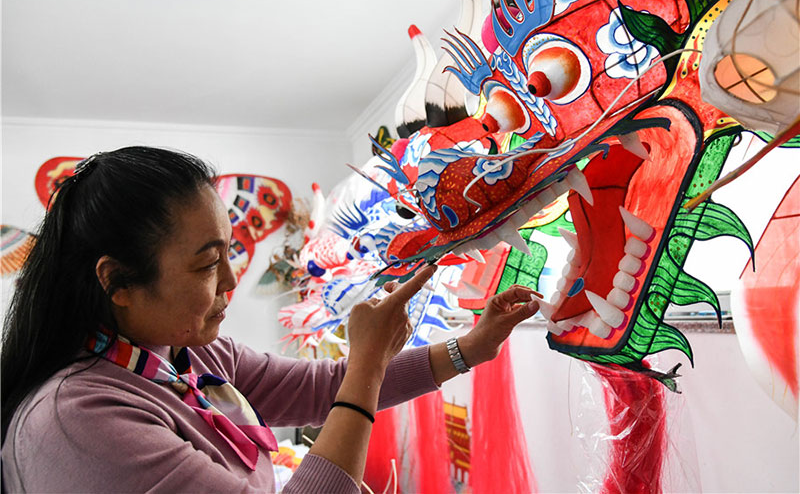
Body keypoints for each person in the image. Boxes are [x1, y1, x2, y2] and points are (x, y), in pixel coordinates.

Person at [1, 146, 541, 493]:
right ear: (117, 281)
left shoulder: (190, 356)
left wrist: (471, 347)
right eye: (209, 264)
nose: (232, 282)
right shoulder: (79, 420)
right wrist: (369, 363)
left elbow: (328, 385)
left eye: (230, 254)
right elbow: (353, 384)